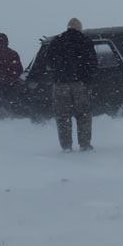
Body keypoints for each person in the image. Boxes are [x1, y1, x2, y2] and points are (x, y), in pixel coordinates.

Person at [48, 18, 97, 152]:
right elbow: (93, 63)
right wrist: (87, 78)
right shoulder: (85, 40)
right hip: (80, 84)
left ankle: (66, 146)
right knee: (83, 115)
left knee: (63, 116)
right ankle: (85, 144)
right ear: (79, 28)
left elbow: (50, 62)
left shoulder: (56, 41)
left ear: (68, 27)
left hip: (60, 84)